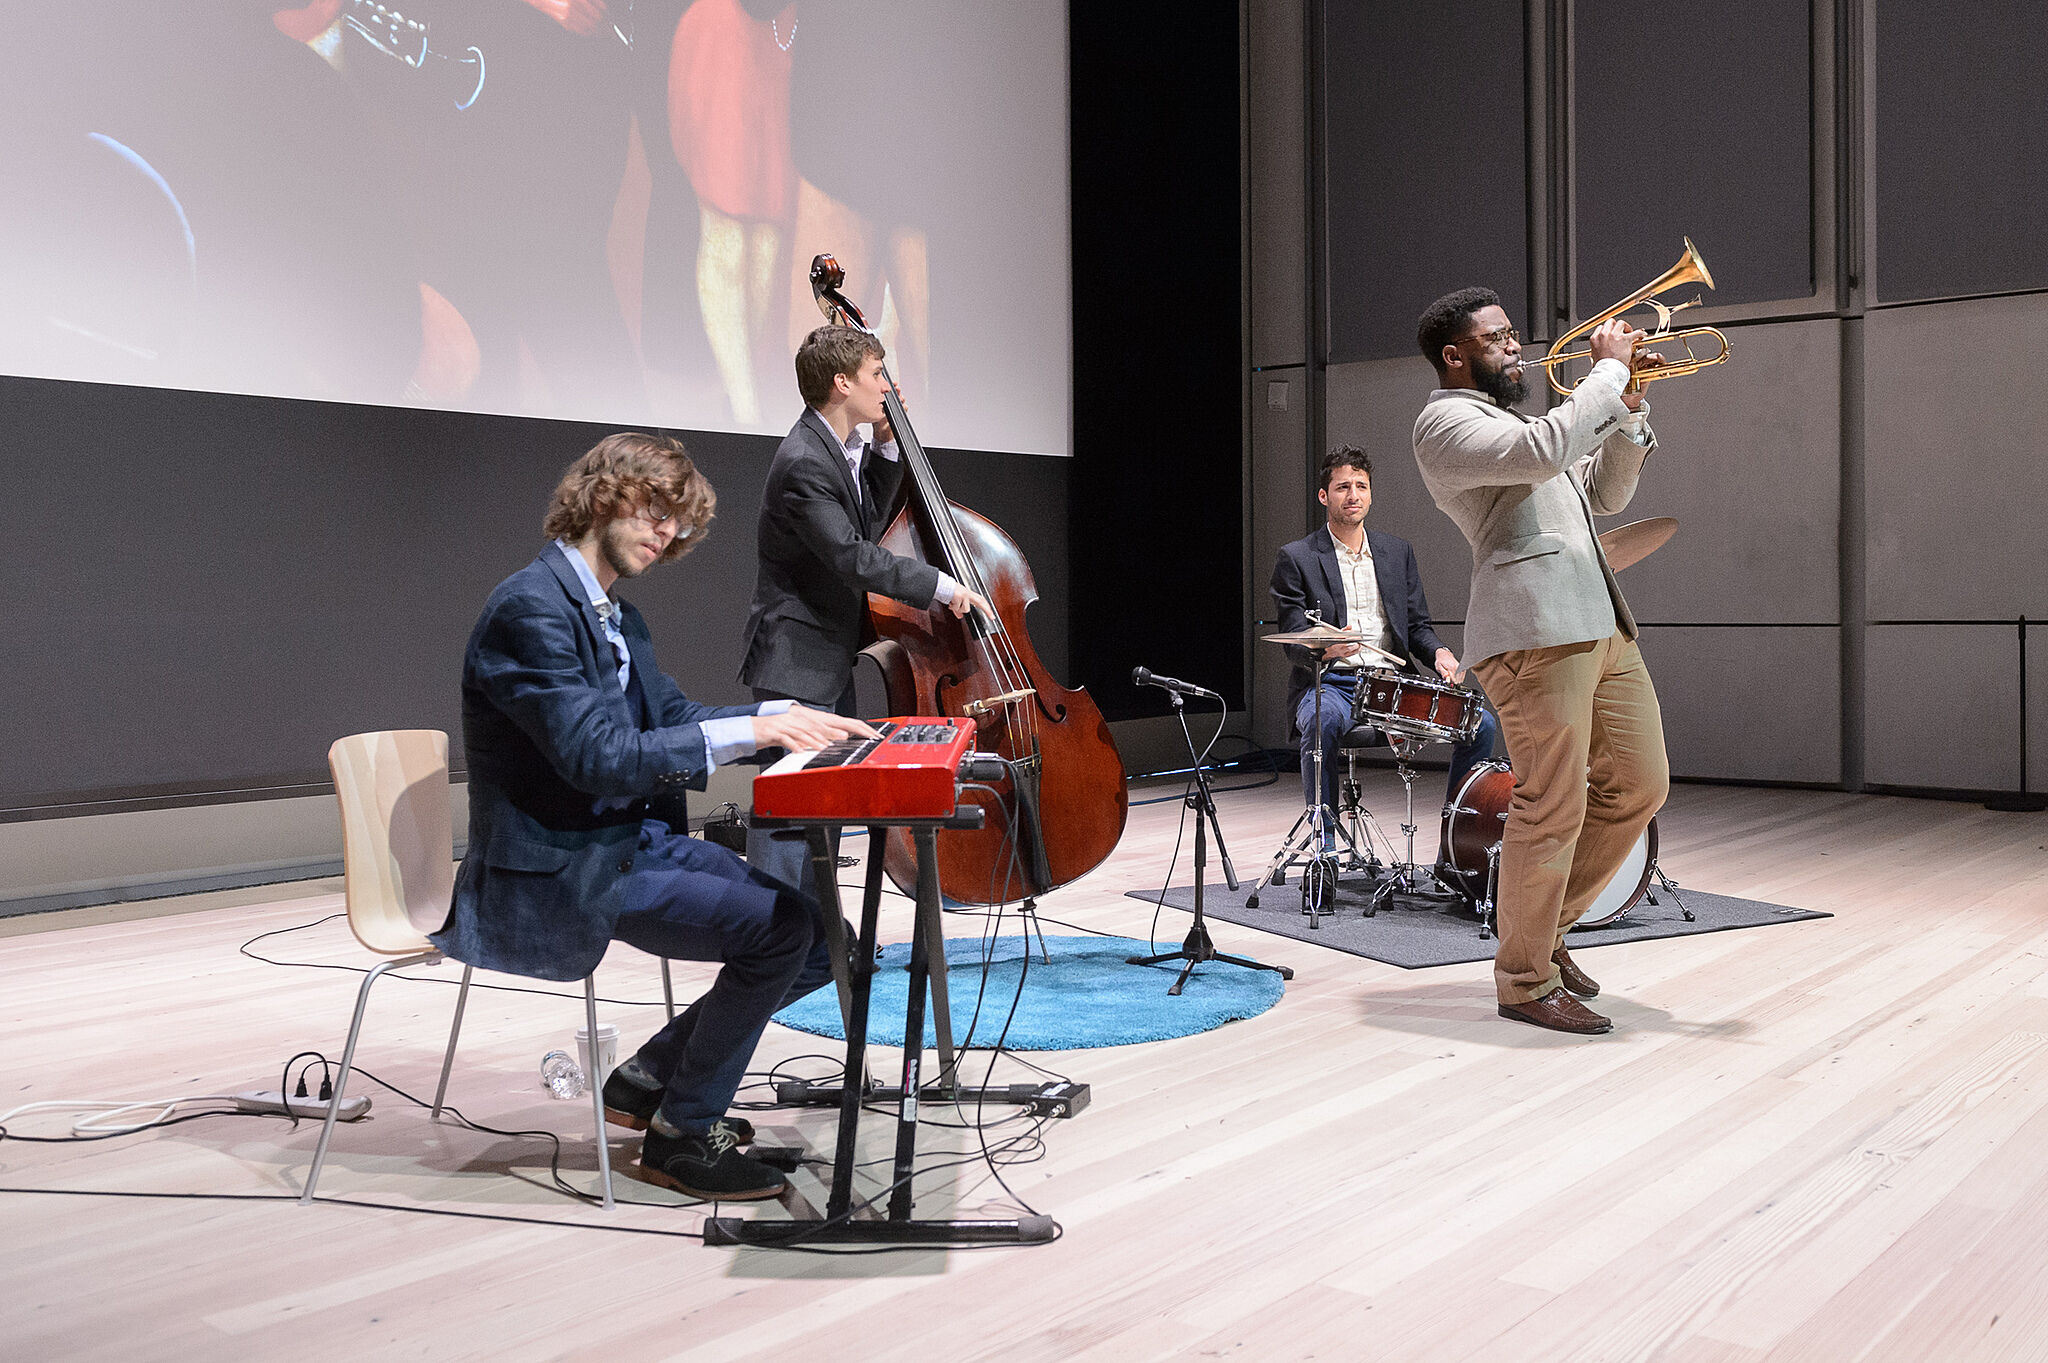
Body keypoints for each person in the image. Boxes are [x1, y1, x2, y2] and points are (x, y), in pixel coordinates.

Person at [436, 431, 875, 1199]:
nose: (665, 530)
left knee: (825, 942)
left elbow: (672, 715)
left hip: (624, 841)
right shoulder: (530, 609)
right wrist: (756, 729)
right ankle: (679, 1136)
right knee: (783, 933)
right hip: (561, 864)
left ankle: (647, 1081)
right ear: (601, 496)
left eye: (677, 521)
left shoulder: (617, 617)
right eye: (653, 509)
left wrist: (787, 717)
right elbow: (598, 756)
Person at [1410, 287, 1671, 1036]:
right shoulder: (1443, 422)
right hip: (1532, 629)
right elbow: (1545, 451)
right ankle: (1524, 975)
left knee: (1639, 783)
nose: (1515, 346)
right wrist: (1607, 377)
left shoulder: (1530, 420)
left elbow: (1607, 492)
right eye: (1495, 339)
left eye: (1512, 333)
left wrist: (1632, 408)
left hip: (1598, 620)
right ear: (1455, 356)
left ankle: (1545, 933)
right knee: (1552, 801)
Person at [737, 323, 989, 890]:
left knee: (822, 806)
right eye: (877, 374)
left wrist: (888, 443)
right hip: (793, 659)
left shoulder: (841, 445)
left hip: (822, 655)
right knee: (788, 811)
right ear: (841, 381)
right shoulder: (804, 460)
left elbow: (866, 516)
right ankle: (773, 938)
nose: (888, 386)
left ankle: (811, 940)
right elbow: (851, 555)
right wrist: (943, 587)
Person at [1270, 445, 1499, 832]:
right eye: (1343, 487)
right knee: (1321, 723)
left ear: (1371, 493)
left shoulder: (1396, 552)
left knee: (1482, 725)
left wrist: (1440, 651)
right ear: (1324, 496)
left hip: (1391, 684)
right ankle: (1324, 842)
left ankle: (1455, 838)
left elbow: (1416, 627)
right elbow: (1293, 639)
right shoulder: (1298, 557)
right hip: (1333, 684)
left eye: (1361, 486)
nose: (1353, 495)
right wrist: (1325, 649)